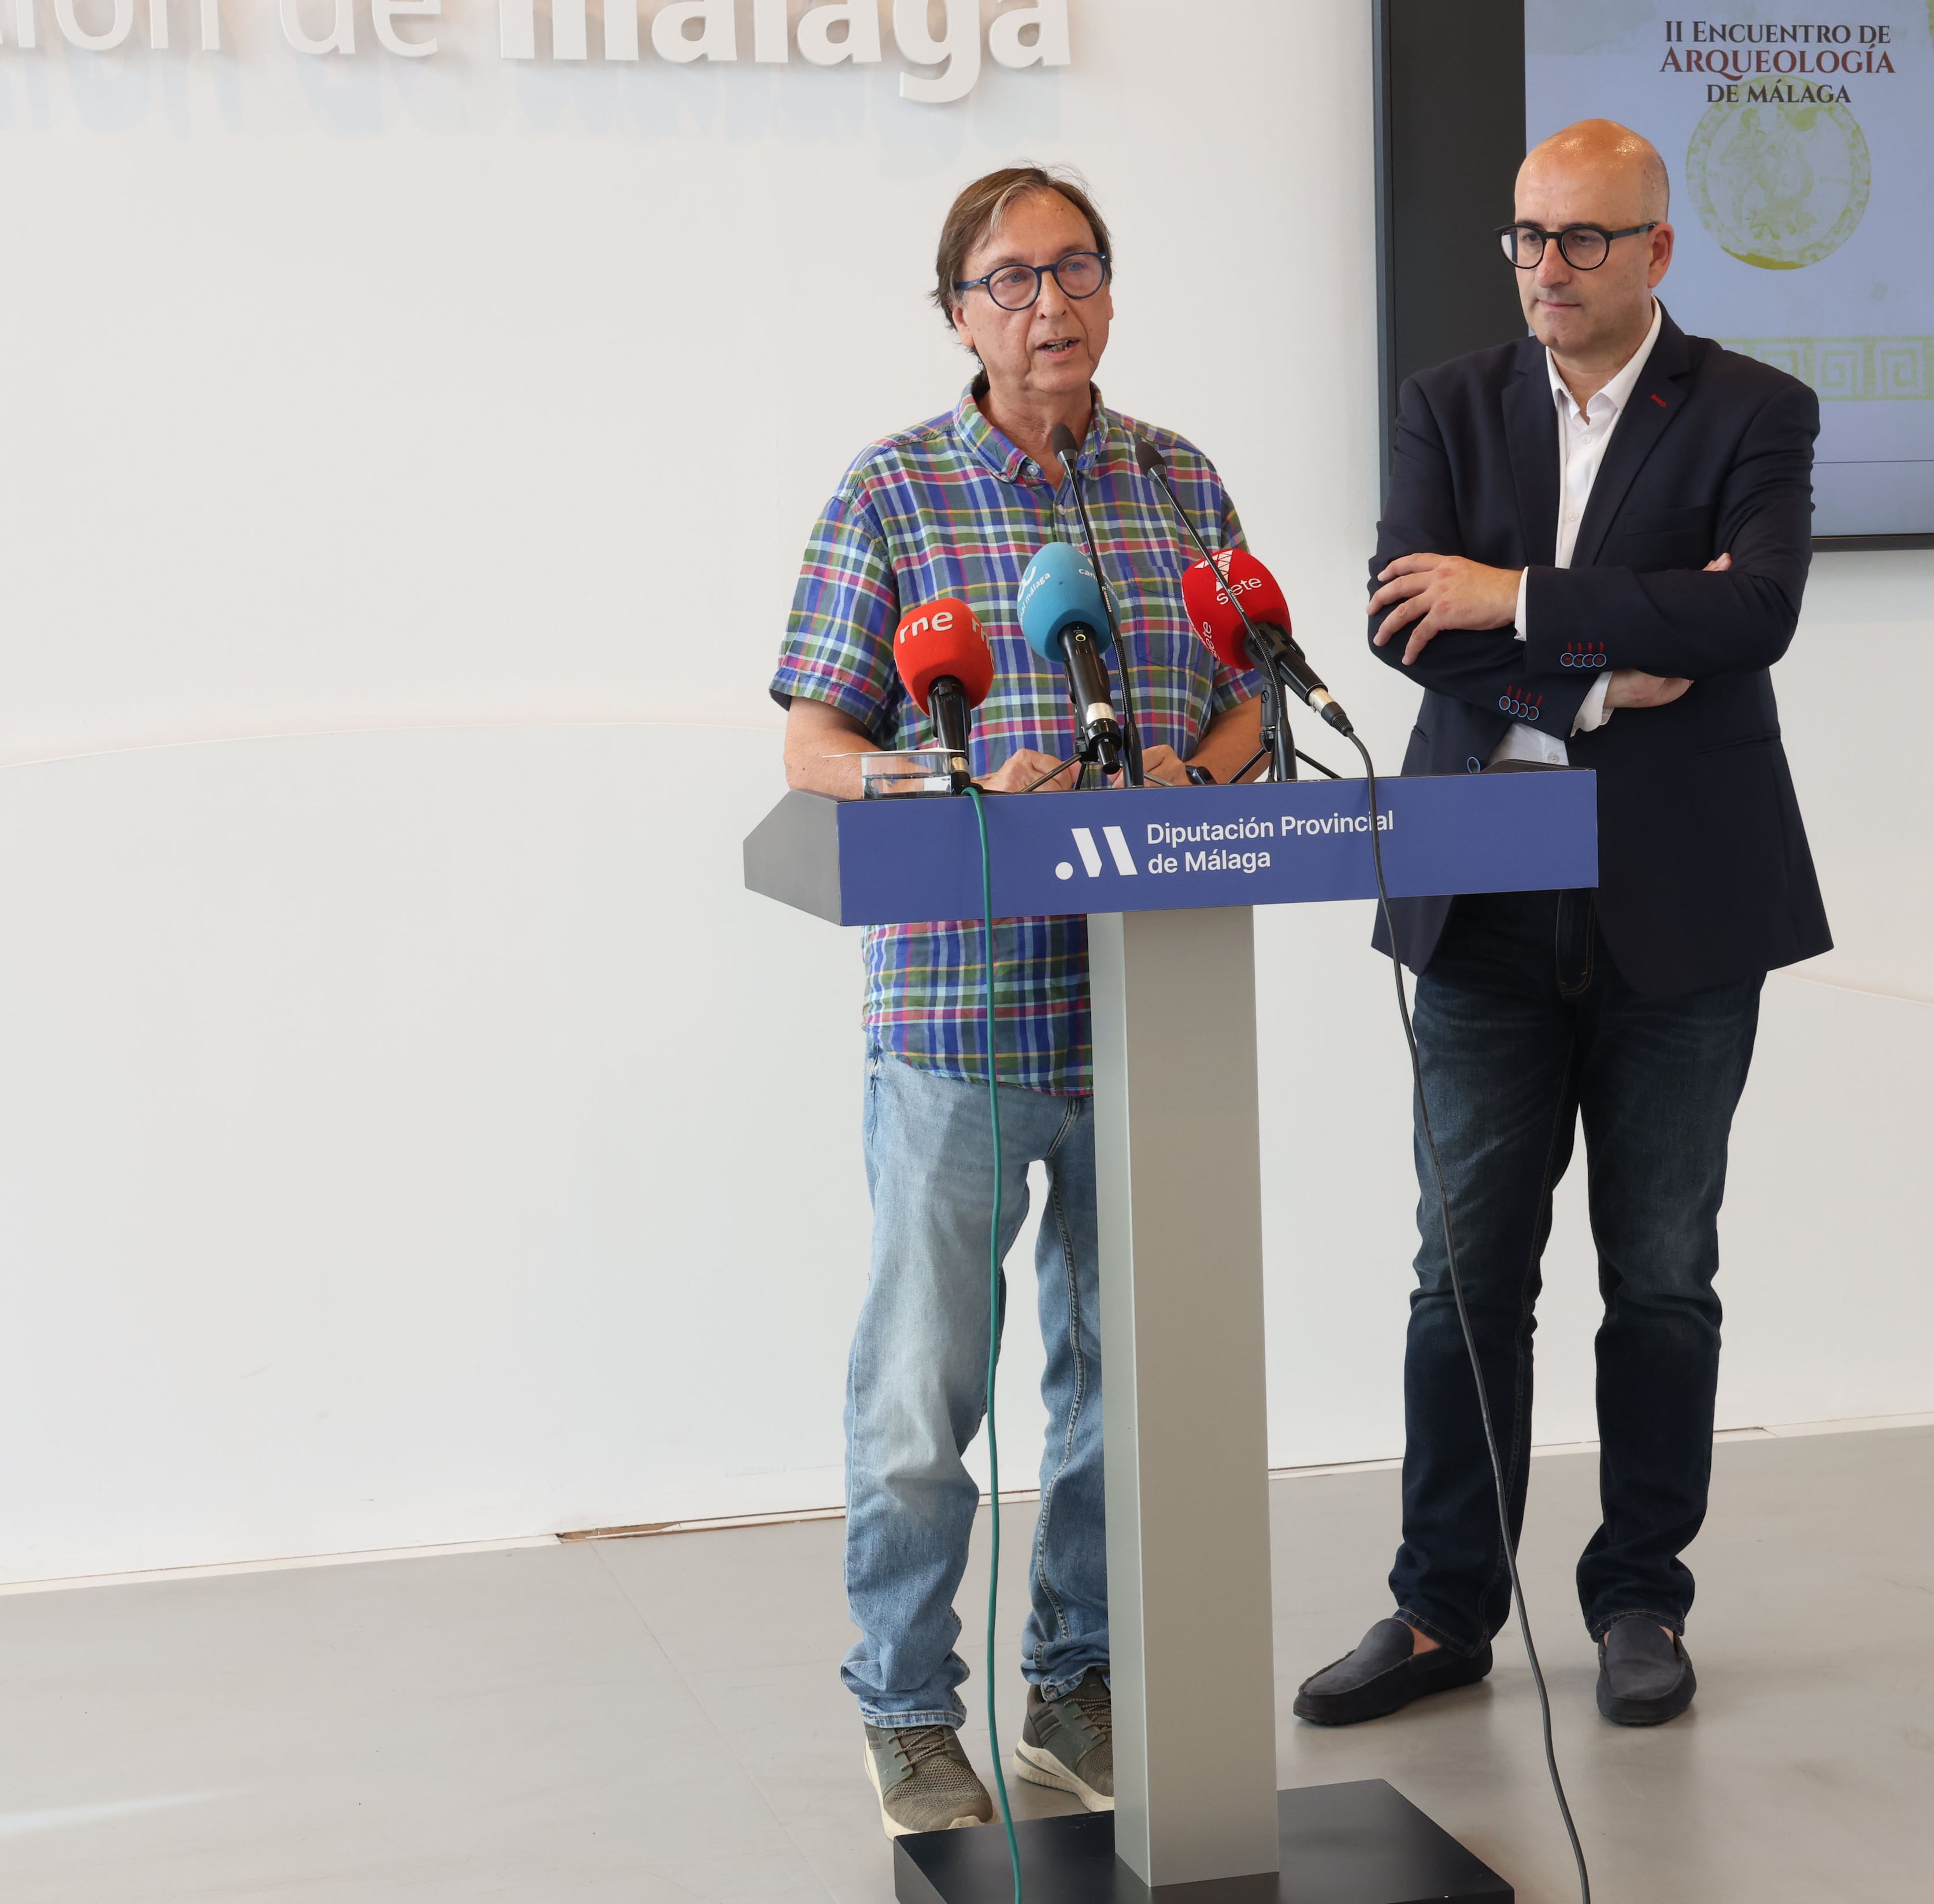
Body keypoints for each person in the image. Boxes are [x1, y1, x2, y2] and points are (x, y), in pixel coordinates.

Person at [1294, 118, 1830, 1731]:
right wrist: (1604, 669)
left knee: (1661, 1275)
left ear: (1657, 251)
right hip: (1484, 890)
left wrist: (1515, 599)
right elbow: (1404, 620)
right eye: (1528, 237)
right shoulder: (1447, 404)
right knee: (1464, 1272)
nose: (1547, 270)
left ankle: (1640, 1603)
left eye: (1584, 240)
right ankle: (1445, 1608)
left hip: (1682, 897)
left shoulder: (1754, 409)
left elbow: (1757, 614)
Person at [772, 164, 1266, 1835]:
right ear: (957, 310)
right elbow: (816, 742)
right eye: (1009, 278)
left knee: (1127, 1386)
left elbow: (1244, 706)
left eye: (1077, 269)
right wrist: (946, 780)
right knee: (926, 1398)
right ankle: (910, 1712)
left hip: (1151, 1015)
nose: (1048, 303)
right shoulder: (894, 495)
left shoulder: (1179, 481)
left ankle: (1077, 1691)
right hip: (961, 1023)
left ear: (1114, 291)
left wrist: (1185, 780)